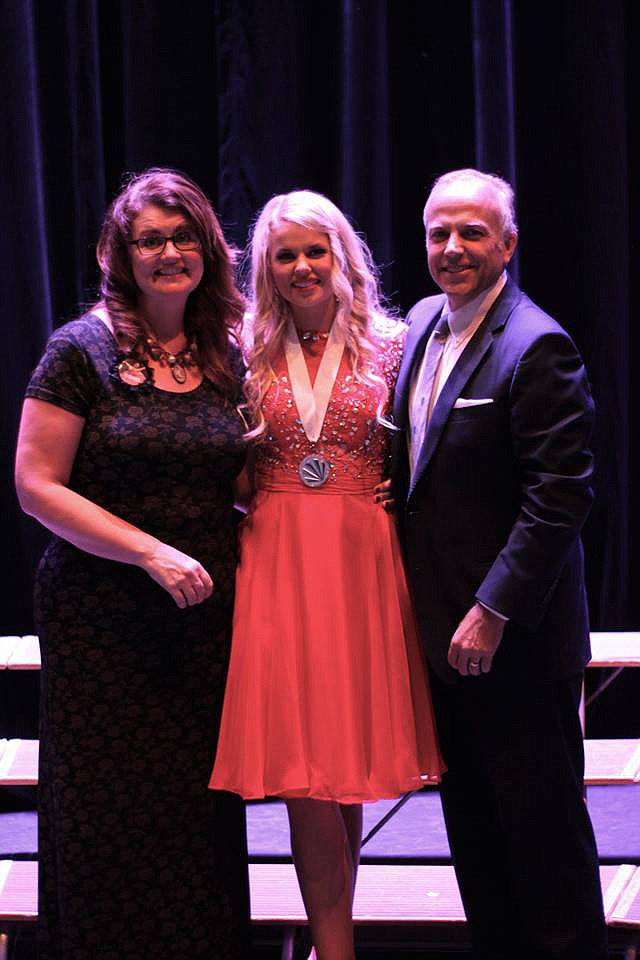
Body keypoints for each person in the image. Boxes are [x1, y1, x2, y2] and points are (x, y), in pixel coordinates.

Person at [15, 168, 251, 960]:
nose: (169, 252)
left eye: (184, 237)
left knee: (194, 815)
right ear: (122, 253)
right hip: (102, 621)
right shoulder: (79, 350)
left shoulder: (228, 353)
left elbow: (250, 479)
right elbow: (35, 485)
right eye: (150, 239)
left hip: (204, 622)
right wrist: (150, 552)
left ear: (208, 250)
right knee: (106, 814)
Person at [209, 189, 444, 960]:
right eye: (286, 255)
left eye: (316, 251)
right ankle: (336, 949)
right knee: (307, 770)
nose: (302, 266)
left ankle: (328, 940)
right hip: (278, 555)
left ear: (344, 256)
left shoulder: (396, 343)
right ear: (266, 267)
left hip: (362, 559)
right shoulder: (243, 348)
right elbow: (230, 469)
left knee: (337, 765)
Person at [391, 168, 608, 959]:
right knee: (477, 847)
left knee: (544, 850)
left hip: (512, 643)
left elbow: (561, 497)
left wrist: (491, 611)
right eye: (438, 233)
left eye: (472, 233)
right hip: (442, 645)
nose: (452, 248)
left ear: (508, 244)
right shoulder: (419, 323)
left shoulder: (536, 342)